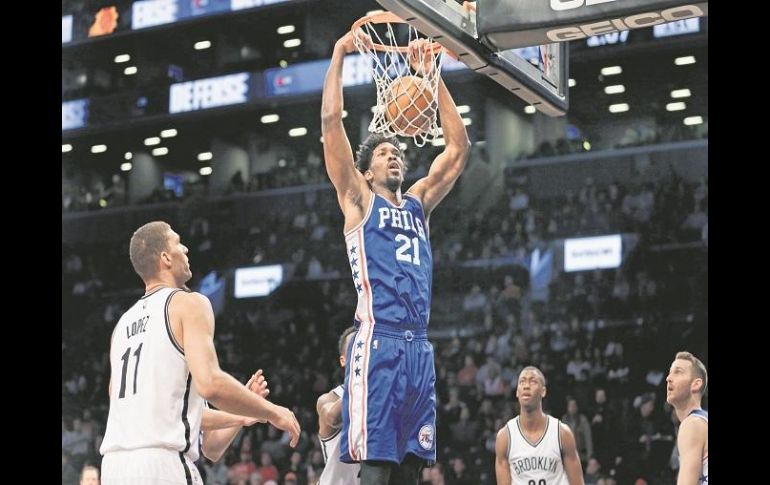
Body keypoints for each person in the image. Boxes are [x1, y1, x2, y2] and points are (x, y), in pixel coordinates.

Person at [322, 28, 471, 485]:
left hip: (418, 346)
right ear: (366, 171)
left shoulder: (419, 203)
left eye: (398, 152)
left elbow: (459, 148)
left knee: (411, 470)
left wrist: (432, 77)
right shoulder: (359, 200)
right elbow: (331, 124)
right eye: (385, 152)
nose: (394, 157)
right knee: (377, 468)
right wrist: (338, 54)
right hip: (379, 342)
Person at [100, 221, 300, 484]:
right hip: (163, 466)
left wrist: (244, 412)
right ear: (165, 258)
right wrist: (272, 411)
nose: (185, 248)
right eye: (177, 242)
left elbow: (206, 442)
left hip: (114, 468)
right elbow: (211, 384)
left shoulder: (122, 325)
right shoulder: (188, 303)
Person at [494, 366, 585, 485]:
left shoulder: (562, 433)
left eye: (533, 381)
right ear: (517, 391)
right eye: (522, 382)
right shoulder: (505, 437)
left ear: (543, 391)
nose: (526, 386)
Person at [316, 326, 361, 485]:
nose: (360, 354)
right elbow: (333, 418)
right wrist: (361, 382)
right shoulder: (328, 399)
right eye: (355, 347)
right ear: (343, 360)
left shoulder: (380, 396)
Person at [665, 351, 708, 485]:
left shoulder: (692, 424)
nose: (668, 378)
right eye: (670, 372)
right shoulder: (702, 422)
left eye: (678, 372)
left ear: (695, 384)